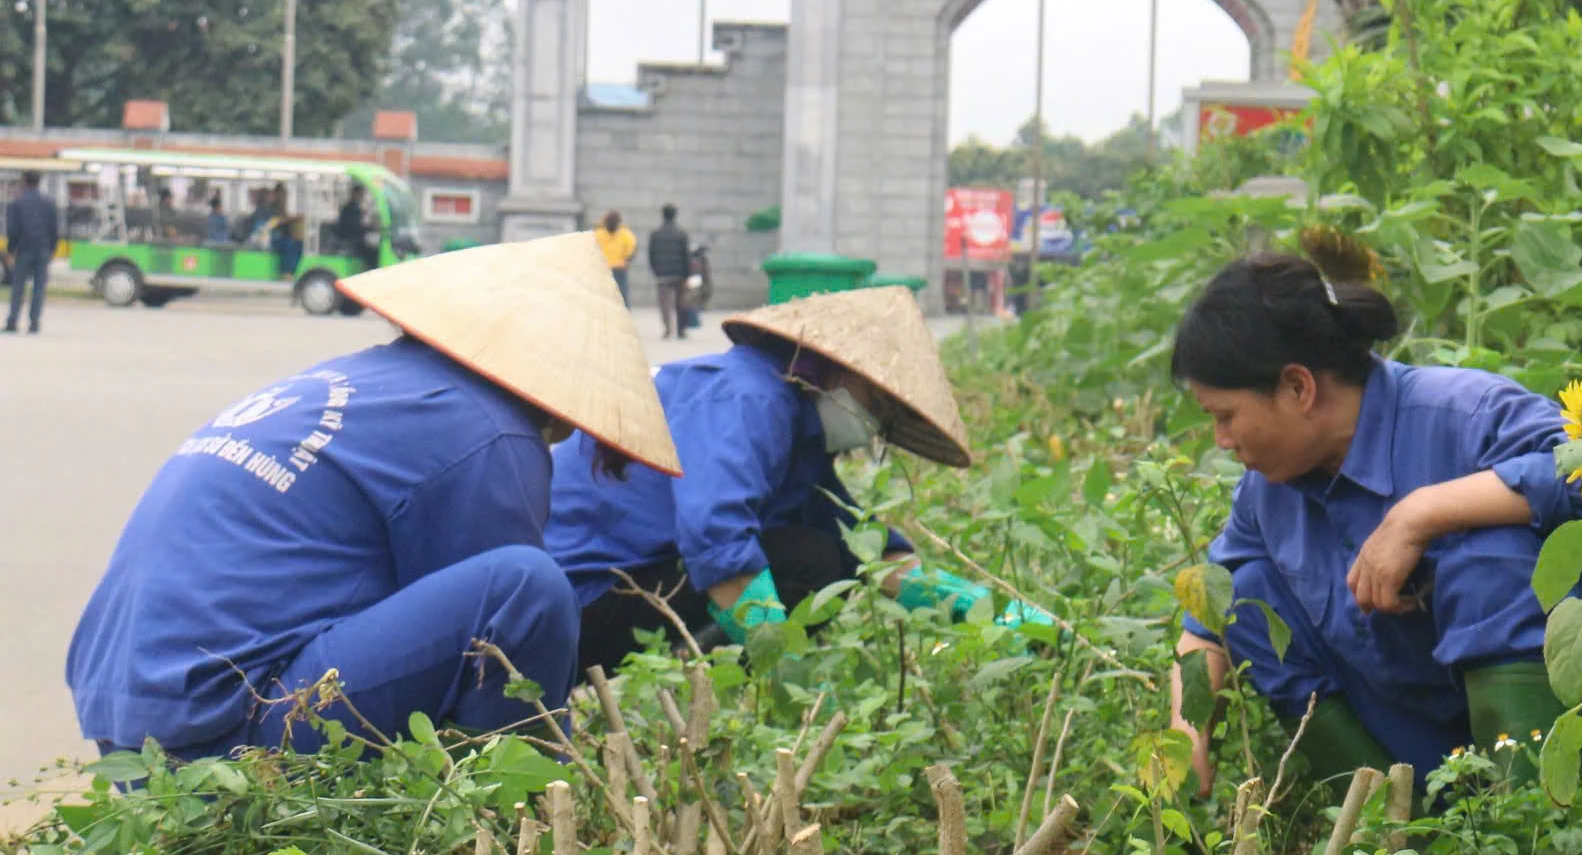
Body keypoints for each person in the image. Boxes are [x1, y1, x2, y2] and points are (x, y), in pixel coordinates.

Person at [66, 234, 682, 760]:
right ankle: (512, 828)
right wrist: (555, 760)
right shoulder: (488, 426)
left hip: (122, 720)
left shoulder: (366, 378)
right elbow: (504, 648)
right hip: (223, 728)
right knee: (529, 590)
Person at [1165, 250, 1582, 789]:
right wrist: (1180, 764)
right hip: (1433, 747)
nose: (1221, 441)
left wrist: (1419, 514)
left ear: (1297, 388)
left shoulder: (1462, 413)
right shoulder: (1269, 492)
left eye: (1225, 417)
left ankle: (1533, 825)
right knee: (1246, 595)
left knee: (1486, 557)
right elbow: (1208, 626)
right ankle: (1392, 832)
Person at [549, 287, 1051, 673]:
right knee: (808, 561)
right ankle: (718, 686)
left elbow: (871, 552)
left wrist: (1014, 620)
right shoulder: (750, 398)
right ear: (836, 371)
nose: (872, 425)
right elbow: (715, 537)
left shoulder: (793, 425)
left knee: (825, 553)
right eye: (875, 406)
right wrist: (784, 672)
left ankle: (708, 674)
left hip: (619, 587)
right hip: (571, 606)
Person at [6, 172, 60, 335]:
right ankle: (34, 322)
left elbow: (13, 230)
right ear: (39, 182)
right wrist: (52, 249)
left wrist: (10, 250)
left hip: (23, 250)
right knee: (39, 287)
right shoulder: (49, 203)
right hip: (43, 249)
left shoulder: (17, 203)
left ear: (24, 182)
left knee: (18, 287)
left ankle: (13, 321)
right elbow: (54, 229)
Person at [647, 204, 689, 339]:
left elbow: (651, 255)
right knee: (680, 302)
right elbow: (685, 256)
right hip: (679, 274)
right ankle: (681, 331)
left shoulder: (655, 234)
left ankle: (667, 329)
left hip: (662, 274)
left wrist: (656, 270)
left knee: (664, 303)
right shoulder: (681, 234)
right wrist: (686, 274)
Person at [594, 210, 636, 305]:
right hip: (619, 268)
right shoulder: (626, 234)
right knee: (622, 297)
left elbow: (593, 250)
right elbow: (632, 250)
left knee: (602, 297)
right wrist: (627, 260)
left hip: (603, 269)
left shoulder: (598, 234)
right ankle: (624, 317)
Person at [334, 189, 377, 272]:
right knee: (372, 252)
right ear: (354, 194)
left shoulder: (355, 207)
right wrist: (369, 228)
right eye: (360, 195)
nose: (361, 197)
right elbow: (355, 226)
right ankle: (370, 270)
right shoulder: (349, 208)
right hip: (350, 237)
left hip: (354, 236)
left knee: (371, 247)